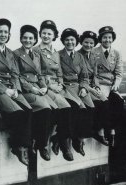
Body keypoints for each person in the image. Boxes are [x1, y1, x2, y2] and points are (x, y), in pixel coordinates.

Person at [0, 18, 32, 166]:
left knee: (29, 110)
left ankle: (24, 145)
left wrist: (16, 89)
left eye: (6, 32)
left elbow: (15, 74)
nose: (3, 34)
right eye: (0, 31)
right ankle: (18, 146)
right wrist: (5, 90)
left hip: (12, 88)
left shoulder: (10, 53)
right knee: (17, 113)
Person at [14, 25, 58, 161]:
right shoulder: (15, 54)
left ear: (34, 40)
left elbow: (39, 74)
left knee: (56, 109)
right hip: (26, 89)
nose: (28, 40)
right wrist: (31, 88)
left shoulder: (37, 54)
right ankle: (40, 144)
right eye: (25, 38)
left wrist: (44, 86)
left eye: (31, 38)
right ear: (21, 39)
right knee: (44, 109)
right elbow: (17, 76)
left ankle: (41, 141)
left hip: (38, 87)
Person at [33, 20, 74, 161]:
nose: (46, 36)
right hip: (44, 86)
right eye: (44, 33)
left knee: (68, 107)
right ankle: (43, 143)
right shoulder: (36, 51)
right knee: (54, 109)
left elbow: (60, 73)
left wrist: (61, 85)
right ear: (40, 34)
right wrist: (50, 86)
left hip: (57, 86)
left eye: (49, 33)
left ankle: (62, 141)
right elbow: (38, 73)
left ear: (54, 35)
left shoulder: (55, 52)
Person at [59, 28, 95, 157]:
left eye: (72, 40)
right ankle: (65, 143)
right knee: (73, 109)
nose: (70, 42)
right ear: (63, 41)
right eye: (67, 40)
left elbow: (84, 76)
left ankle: (78, 139)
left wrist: (84, 87)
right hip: (65, 88)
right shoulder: (58, 55)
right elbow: (57, 75)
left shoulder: (79, 56)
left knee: (90, 108)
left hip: (78, 87)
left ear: (76, 41)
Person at [91, 26, 124, 147]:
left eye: (110, 37)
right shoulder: (94, 52)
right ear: (100, 39)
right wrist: (97, 86)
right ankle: (100, 130)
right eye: (105, 37)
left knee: (119, 101)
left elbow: (119, 73)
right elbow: (93, 72)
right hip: (99, 83)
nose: (107, 40)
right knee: (104, 102)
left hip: (111, 84)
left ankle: (112, 129)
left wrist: (116, 84)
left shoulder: (116, 53)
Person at [78, 31, 110, 146]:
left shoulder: (93, 56)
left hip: (91, 86)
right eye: (86, 42)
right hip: (81, 86)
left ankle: (99, 131)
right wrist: (91, 90)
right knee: (94, 104)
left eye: (91, 43)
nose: (88, 45)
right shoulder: (77, 55)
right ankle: (82, 136)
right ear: (81, 42)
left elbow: (95, 75)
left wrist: (96, 86)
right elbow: (80, 77)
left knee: (105, 102)